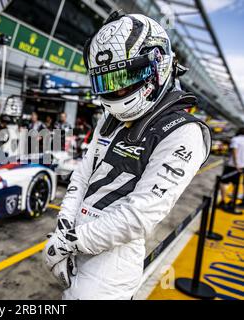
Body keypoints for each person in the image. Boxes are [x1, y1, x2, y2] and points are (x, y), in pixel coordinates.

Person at [42, 11, 211, 300]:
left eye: (125, 76)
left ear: (158, 63)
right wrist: (64, 229)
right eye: (106, 80)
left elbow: (139, 215)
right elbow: (83, 175)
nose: (117, 89)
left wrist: (72, 242)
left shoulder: (185, 133)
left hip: (112, 265)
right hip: (76, 239)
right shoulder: (109, 117)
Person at [218, 128, 244, 210]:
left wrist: (236, 164)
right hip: (242, 167)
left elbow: (234, 152)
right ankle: (232, 202)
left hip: (232, 165)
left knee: (223, 183)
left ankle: (223, 201)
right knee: (236, 185)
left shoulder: (235, 139)